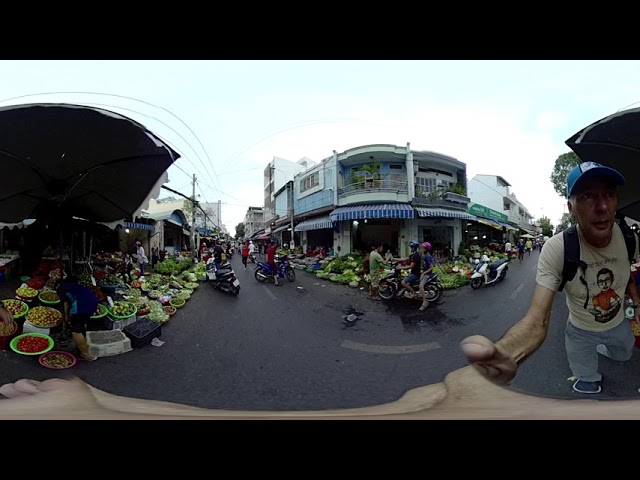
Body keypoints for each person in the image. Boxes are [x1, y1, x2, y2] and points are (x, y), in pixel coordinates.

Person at [460, 162, 640, 395]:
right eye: (587, 196)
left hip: (618, 325)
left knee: (624, 354)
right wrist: (504, 354)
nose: (602, 206)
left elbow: (627, 276)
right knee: (586, 375)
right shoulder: (558, 248)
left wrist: (636, 303)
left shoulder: (630, 239)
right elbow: (537, 321)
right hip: (580, 329)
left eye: (608, 194)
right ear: (571, 208)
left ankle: (605, 348)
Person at [54, 275, 99, 361]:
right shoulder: (77, 286)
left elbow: (66, 303)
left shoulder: (61, 288)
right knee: (81, 324)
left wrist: (66, 316)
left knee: (75, 330)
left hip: (81, 306)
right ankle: (86, 346)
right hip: (93, 302)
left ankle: (86, 354)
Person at [419, 241, 436, 312]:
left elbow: (431, 267)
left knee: (420, 286)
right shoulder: (425, 255)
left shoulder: (428, 256)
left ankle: (425, 302)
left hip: (427, 274)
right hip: (424, 272)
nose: (421, 249)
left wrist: (424, 273)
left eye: (422, 248)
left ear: (426, 249)